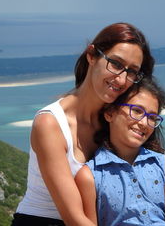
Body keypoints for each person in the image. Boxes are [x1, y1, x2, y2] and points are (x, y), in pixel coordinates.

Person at [11, 22, 155, 226]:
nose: (122, 80)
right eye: (115, 64)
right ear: (91, 56)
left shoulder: (117, 120)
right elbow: (74, 218)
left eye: (132, 71)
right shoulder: (50, 123)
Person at [75, 76, 165, 226]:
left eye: (152, 117)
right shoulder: (90, 176)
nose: (144, 123)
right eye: (136, 111)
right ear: (110, 113)